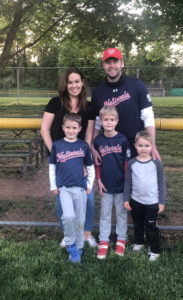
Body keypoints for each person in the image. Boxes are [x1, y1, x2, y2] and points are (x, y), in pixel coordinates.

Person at [41, 67, 97, 248]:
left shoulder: (88, 107)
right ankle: (68, 234)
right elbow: (44, 129)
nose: (74, 85)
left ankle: (87, 234)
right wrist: (56, 156)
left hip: (79, 158)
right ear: (65, 85)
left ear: (82, 83)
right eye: (70, 82)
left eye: (77, 81)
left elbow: (88, 136)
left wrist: (82, 161)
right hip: (60, 158)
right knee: (61, 196)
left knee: (87, 196)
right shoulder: (55, 103)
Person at [91, 47, 160, 163]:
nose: (111, 66)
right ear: (103, 65)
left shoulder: (137, 85)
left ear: (122, 63)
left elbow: (148, 116)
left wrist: (152, 144)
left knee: (137, 180)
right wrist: (93, 147)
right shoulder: (98, 92)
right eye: (108, 62)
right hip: (110, 148)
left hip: (136, 146)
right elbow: (97, 123)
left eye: (115, 62)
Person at [49, 113, 95, 262]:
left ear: (79, 129)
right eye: (68, 127)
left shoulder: (83, 146)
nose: (70, 130)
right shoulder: (57, 145)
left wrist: (89, 185)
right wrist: (53, 185)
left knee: (80, 218)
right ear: (63, 127)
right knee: (68, 217)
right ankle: (70, 245)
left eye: (74, 128)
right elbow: (52, 167)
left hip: (81, 188)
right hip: (64, 189)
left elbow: (90, 166)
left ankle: (79, 247)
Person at [94, 106, 131, 259]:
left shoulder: (122, 140)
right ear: (101, 122)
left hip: (121, 185)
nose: (109, 122)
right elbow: (97, 164)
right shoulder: (98, 141)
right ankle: (104, 241)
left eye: (112, 119)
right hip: (106, 185)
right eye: (105, 120)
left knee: (121, 213)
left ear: (116, 121)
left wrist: (127, 184)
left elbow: (127, 164)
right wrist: (99, 181)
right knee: (105, 214)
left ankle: (121, 239)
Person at [124, 131, 166, 261]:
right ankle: (139, 242)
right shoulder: (132, 163)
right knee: (138, 224)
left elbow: (161, 182)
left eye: (147, 146)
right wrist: (126, 199)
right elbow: (128, 182)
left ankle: (154, 249)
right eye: (140, 145)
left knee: (151, 227)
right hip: (136, 201)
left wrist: (161, 202)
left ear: (152, 146)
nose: (143, 149)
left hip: (152, 202)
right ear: (135, 145)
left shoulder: (156, 163)